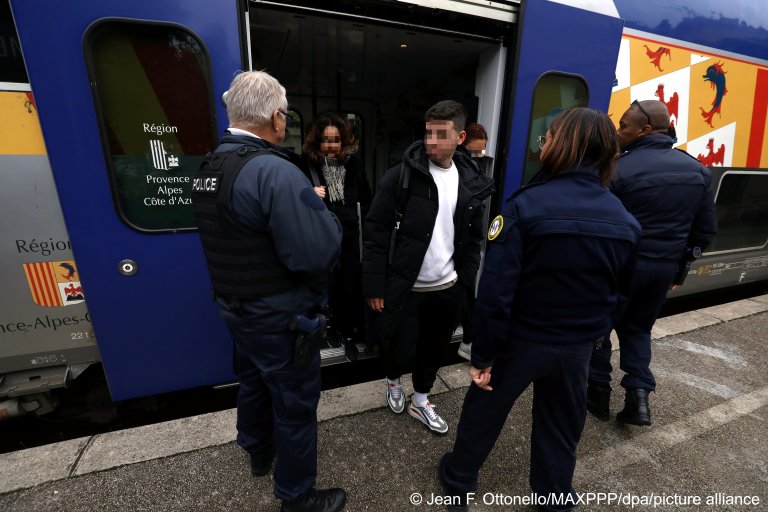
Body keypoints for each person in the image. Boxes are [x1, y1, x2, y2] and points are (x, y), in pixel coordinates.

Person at [439, 108, 641, 511]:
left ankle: (459, 480)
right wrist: (593, 334)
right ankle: (554, 497)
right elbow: (622, 295)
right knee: (561, 426)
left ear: (564, 145)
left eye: (548, 137)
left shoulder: (525, 206)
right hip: (577, 347)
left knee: (485, 411)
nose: (542, 143)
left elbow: (496, 293)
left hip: (520, 342)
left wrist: (482, 355)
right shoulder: (624, 220)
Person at [190, 71, 346, 512]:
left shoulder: (211, 166)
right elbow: (316, 253)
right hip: (280, 316)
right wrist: (330, 219)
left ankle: (258, 451)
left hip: (236, 308)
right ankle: (297, 497)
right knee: (295, 404)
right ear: (276, 117)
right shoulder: (275, 172)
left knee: (254, 381)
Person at [362, 100, 493, 434]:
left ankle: (421, 400)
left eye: (441, 134)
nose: (431, 141)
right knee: (398, 346)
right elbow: (375, 232)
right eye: (427, 133)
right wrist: (375, 285)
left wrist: (464, 283)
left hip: (448, 287)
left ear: (460, 137)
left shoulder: (470, 180)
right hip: (406, 287)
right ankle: (393, 381)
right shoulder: (401, 176)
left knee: (434, 348)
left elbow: (476, 236)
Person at [587, 100, 718, 426]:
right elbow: (705, 231)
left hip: (621, 269)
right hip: (662, 271)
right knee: (638, 330)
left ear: (646, 130)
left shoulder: (617, 169)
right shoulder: (697, 170)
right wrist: (680, 271)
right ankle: (638, 399)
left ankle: (597, 394)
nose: (618, 133)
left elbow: (602, 226)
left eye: (624, 127)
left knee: (599, 330)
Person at [303, 113, 372, 359]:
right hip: (321, 235)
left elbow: (366, 198)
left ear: (344, 142)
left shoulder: (353, 164)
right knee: (326, 284)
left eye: (336, 140)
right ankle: (328, 327)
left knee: (349, 284)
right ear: (317, 142)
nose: (331, 146)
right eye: (325, 140)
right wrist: (309, 193)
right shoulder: (306, 165)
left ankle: (347, 330)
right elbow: (291, 199)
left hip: (351, 234)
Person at [455, 122, 488, 361]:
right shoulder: (463, 166)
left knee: (465, 296)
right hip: (462, 244)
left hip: (464, 243)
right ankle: (468, 341)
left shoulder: (465, 164)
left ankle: (468, 340)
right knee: (465, 296)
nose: (482, 152)